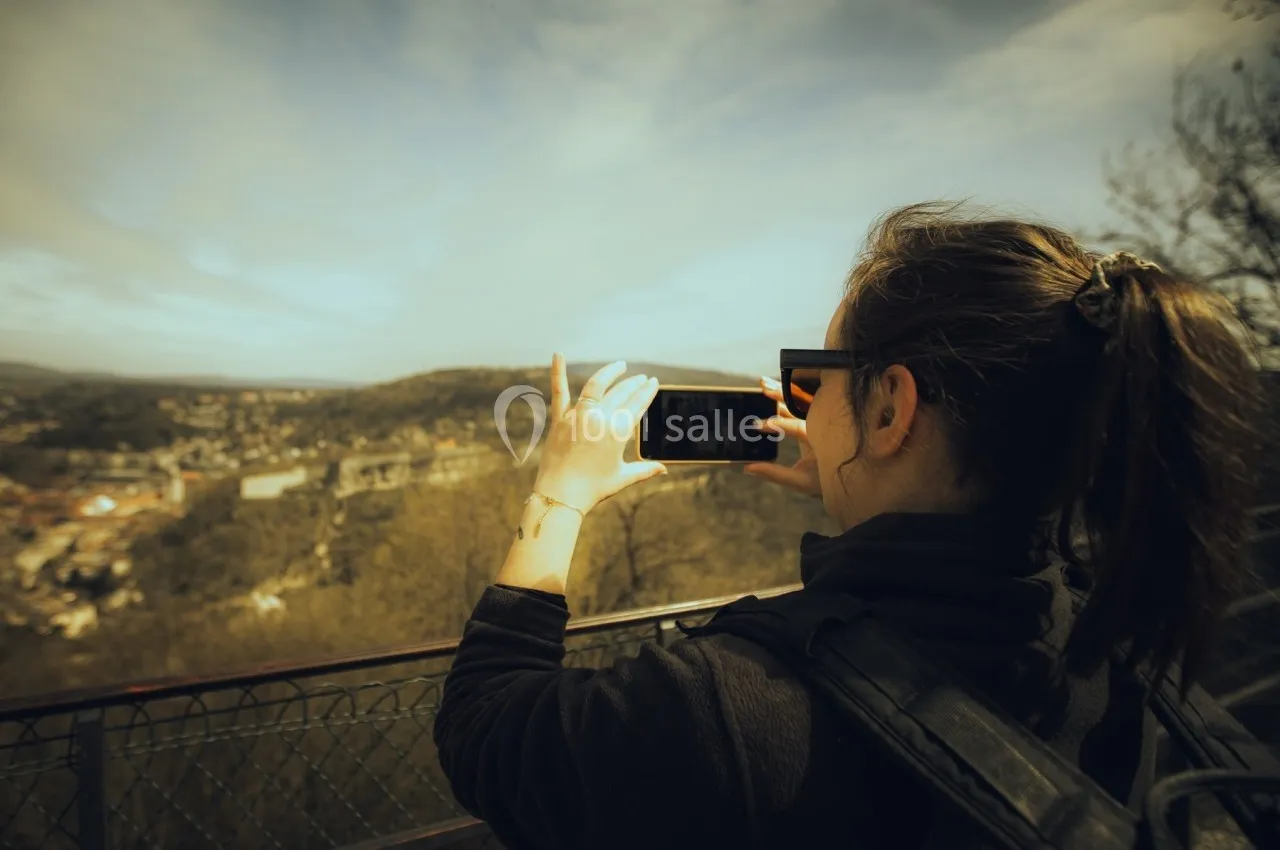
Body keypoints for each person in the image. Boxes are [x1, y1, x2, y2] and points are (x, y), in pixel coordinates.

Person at [432, 202, 1262, 849]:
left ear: (891, 406)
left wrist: (560, 496)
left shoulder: (730, 707)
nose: (801, 399)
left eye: (818, 375)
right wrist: (863, 485)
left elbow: (487, 729)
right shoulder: (1112, 643)